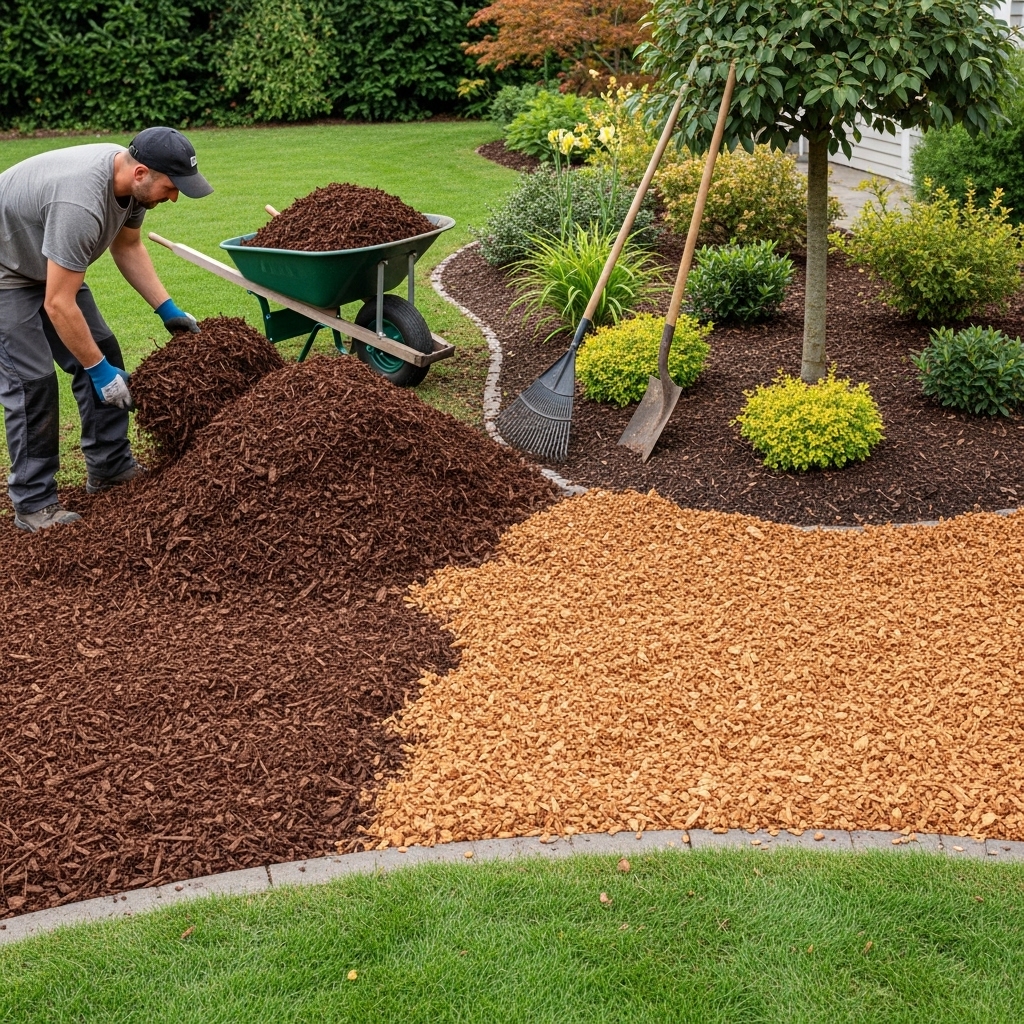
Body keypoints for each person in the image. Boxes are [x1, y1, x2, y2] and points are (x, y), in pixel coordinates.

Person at [0, 126, 213, 533]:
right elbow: (59, 303)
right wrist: (98, 373)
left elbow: (128, 246)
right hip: (5, 270)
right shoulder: (81, 203)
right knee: (32, 382)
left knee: (102, 348)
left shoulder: (131, 184)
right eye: (171, 187)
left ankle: (110, 466)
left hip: (41, 259)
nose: (174, 197)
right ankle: (33, 504)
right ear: (142, 173)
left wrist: (167, 309)